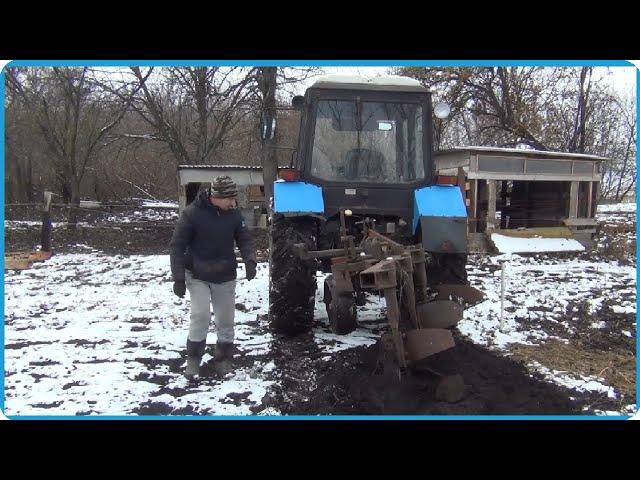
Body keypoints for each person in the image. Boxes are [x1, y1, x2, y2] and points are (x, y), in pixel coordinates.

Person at [169, 175, 257, 378]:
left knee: (226, 320)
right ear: (216, 196)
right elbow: (177, 246)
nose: (233, 203)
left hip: (225, 274)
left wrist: (250, 260)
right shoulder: (192, 214)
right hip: (197, 273)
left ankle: (223, 358)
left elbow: (244, 239)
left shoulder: (234, 215)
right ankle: (193, 360)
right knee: (200, 315)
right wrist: (178, 278)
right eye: (230, 199)